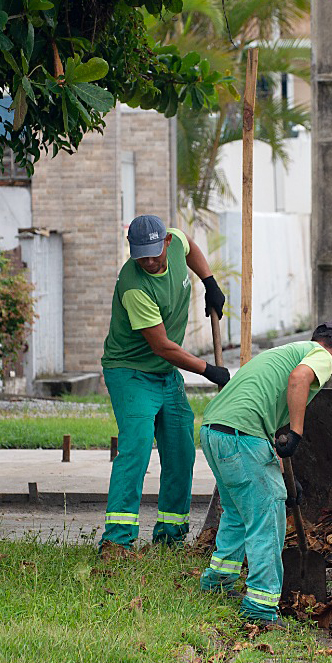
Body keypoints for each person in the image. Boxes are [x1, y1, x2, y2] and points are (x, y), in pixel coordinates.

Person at [196, 321, 332, 629]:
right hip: (243, 436)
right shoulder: (320, 356)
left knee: (237, 513)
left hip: (215, 430)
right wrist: (296, 432)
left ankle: (218, 582)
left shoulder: (285, 352)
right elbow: (299, 380)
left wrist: (285, 477)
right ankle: (260, 605)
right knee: (267, 514)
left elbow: (265, 423)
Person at [100, 214, 229, 557]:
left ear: (166, 243)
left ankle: (171, 536)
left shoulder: (174, 243)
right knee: (137, 448)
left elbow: (191, 247)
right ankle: (117, 540)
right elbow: (162, 346)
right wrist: (208, 370)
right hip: (131, 371)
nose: (149, 261)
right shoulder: (133, 285)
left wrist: (209, 282)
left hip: (164, 373)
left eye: (155, 253)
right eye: (141, 255)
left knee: (181, 448)